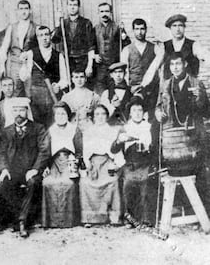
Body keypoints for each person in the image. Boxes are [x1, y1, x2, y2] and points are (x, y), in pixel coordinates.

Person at [0, 97, 50, 238]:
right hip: (13, 170)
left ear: (27, 111)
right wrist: (4, 169)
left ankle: (21, 222)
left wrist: (35, 169)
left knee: (33, 183)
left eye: (21, 110)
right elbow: (1, 152)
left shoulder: (38, 128)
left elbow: (44, 151)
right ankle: (21, 217)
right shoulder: (6, 131)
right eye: (15, 110)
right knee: (2, 184)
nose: (18, 113)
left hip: (31, 169)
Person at [155, 52, 210, 175]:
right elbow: (158, 106)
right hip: (173, 134)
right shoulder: (165, 85)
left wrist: (198, 100)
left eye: (178, 64)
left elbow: (206, 111)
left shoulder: (196, 83)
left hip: (193, 131)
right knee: (175, 170)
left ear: (184, 64)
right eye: (172, 64)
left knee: (197, 170)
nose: (175, 67)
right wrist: (158, 113)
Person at [111, 97, 153, 228]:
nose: (137, 113)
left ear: (144, 112)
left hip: (146, 164)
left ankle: (146, 219)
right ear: (129, 113)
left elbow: (156, 148)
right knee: (128, 186)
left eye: (140, 110)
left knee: (146, 185)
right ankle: (131, 219)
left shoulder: (149, 127)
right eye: (134, 110)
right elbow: (113, 149)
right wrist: (119, 141)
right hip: (130, 164)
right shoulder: (125, 128)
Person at [80, 105, 122, 227]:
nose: (100, 117)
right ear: (93, 117)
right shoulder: (88, 132)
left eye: (103, 114)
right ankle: (90, 218)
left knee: (113, 181)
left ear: (107, 116)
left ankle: (113, 217)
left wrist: (116, 164)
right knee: (85, 183)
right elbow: (86, 152)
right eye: (97, 114)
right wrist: (88, 166)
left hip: (108, 162)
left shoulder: (113, 131)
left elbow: (116, 151)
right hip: (93, 163)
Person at [42, 102, 82, 228]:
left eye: (63, 113)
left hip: (70, 162)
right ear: (54, 116)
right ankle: (51, 221)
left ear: (68, 115)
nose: (60, 116)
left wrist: (77, 163)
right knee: (47, 183)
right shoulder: (50, 130)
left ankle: (68, 221)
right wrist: (46, 167)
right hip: (54, 163)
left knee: (69, 183)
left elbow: (80, 150)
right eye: (58, 114)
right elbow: (45, 151)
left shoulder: (74, 129)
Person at [21, 25, 68, 127]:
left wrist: (58, 85)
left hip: (54, 98)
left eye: (46, 34)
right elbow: (24, 77)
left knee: (54, 126)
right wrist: (24, 63)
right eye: (40, 35)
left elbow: (65, 79)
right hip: (37, 98)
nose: (44, 38)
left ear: (51, 36)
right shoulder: (31, 54)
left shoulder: (58, 55)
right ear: (37, 38)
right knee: (38, 127)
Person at [120, 18, 163, 119]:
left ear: (146, 30)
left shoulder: (155, 48)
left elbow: (157, 68)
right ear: (133, 30)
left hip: (151, 90)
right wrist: (129, 87)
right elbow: (124, 72)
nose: (140, 32)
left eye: (142, 29)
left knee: (151, 118)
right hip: (133, 90)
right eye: (137, 29)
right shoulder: (127, 49)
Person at [0, 0, 38, 97]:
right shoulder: (12, 27)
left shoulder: (36, 27)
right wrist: (2, 65)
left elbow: (39, 49)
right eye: (21, 9)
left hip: (29, 64)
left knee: (30, 92)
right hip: (15, 64)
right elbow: (4, 48)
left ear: (30, 11)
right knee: (15, 91)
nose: (24, 11)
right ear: (17, 11)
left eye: (26, 8)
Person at [52, 0, 96, 79]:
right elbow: (54, 40)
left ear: (79, 7)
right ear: (67, 7)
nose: (72, 7)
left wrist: (89, 65)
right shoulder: (63, 23)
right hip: (68, 60)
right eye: (70, 5)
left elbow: (91, 46)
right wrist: (58, 23)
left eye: (75, 5)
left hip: (83, 60)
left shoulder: (86, 23)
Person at [92, 3, 130, 95]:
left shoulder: (117, 28)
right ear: (98, 13)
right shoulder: (95, 28)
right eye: (102, 11)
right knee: (100, 91)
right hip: (100, 67)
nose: (104, 14)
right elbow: (91, 45)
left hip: (114, 66)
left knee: (114, 91)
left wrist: (123, 33)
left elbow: (127, 44)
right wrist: (95, 55)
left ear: (111, 13)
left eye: (107, 11)